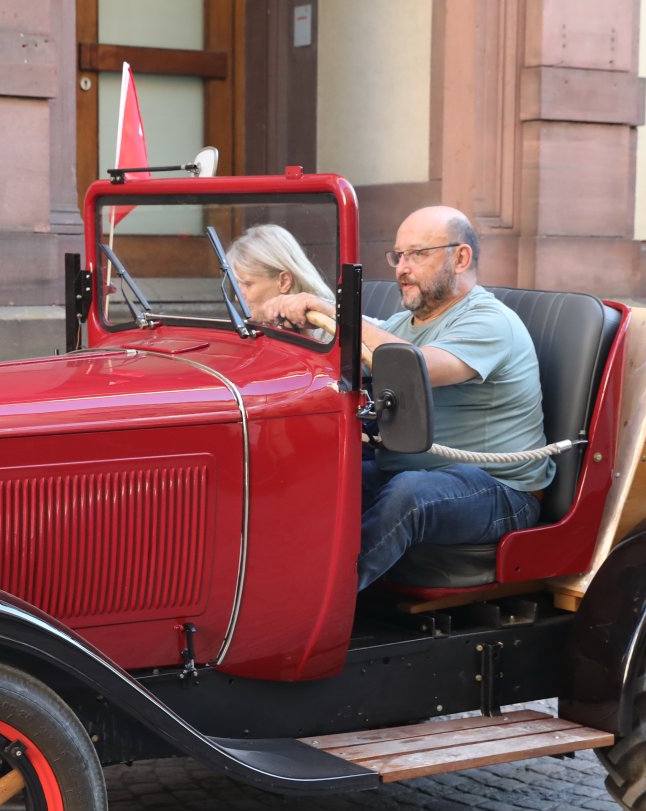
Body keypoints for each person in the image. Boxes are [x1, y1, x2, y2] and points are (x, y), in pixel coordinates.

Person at [256, 205, 553, 590]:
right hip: (408, 468)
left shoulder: (490, 321)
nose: (402, 268)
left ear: (461, 258)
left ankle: (318, 602)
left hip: (501, 491)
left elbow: (416, 368)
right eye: (398, 256)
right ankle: (260, 584)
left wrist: (329, 309)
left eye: (417, 254)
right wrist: (296, 327)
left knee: (408, 494)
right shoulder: (403, 324)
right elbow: (351, 355)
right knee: (316, 474)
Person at [226, 224, 333, 321]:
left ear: (284, 281)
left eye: (247, 284)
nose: (237, 297)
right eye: (238, 284)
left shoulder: (330, 329)